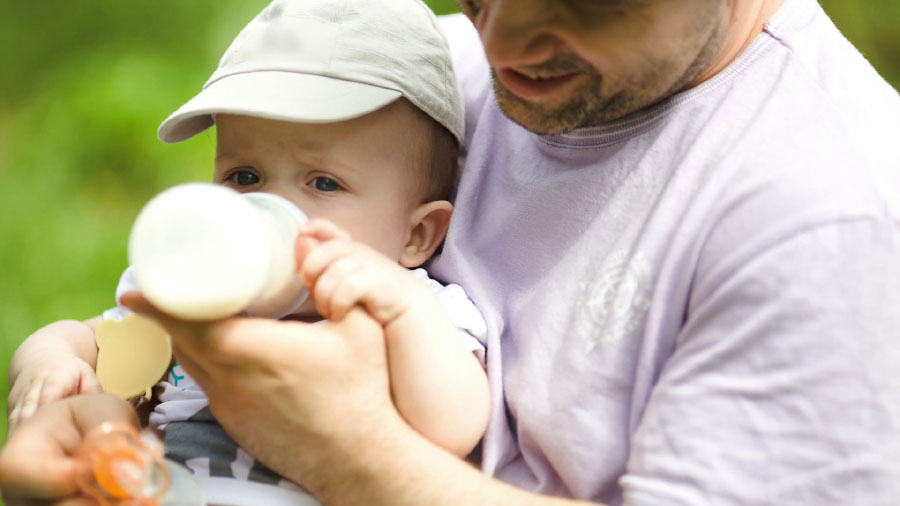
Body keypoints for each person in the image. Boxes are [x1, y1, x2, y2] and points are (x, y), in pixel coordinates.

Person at [4, 0, 900, 504]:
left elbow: (446, 418)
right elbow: (131, 349)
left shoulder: (828, 217)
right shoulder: (418, 74)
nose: (498, 44)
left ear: (419, 234)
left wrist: (348, 447)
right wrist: (83, 398)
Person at [4, 0, 490, 504]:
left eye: (324, 182)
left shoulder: (411, 311)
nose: (269, 205)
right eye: (244, 176)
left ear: (417, 236)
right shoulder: (196, 290)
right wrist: (49, 359)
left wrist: (404, 308)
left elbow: (454, 428)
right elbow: (91, 337)